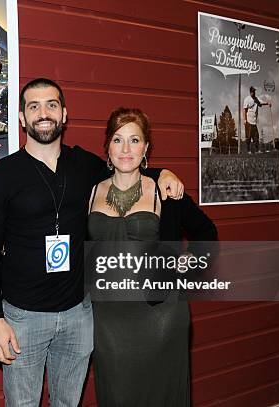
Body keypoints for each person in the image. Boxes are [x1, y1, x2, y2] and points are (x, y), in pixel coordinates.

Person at [0, 78, 184, 406]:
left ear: (64, 114)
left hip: (79, 315)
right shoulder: (2, 175)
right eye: (34, 106)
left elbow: (126, 166)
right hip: (23, 319)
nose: (43, 112)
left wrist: (164, 173)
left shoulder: (85, 165)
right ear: (21, 118)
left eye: (52, 105)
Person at [87, 107, 217, 406]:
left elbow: (206, 231)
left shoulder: (166, 191)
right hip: (107, 322)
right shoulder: (90, 190)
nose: (126, 149)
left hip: (160, 318)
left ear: (146, 147)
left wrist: (190, 265)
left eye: (135, 140)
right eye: (118, 140)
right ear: (107, 145)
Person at [243, 85, 271, 154]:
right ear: (250, 92)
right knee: (248, 137)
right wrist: (244, 119)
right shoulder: (247, 99)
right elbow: (244, 110)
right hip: (248, 121)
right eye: (252, 91)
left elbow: (261, 102)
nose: (253, 92)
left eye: (254, 91)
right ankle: (248, 151)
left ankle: (257, 150)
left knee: (256, 137)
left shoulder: (256, 99)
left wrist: (268, 103)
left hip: (254, 121)